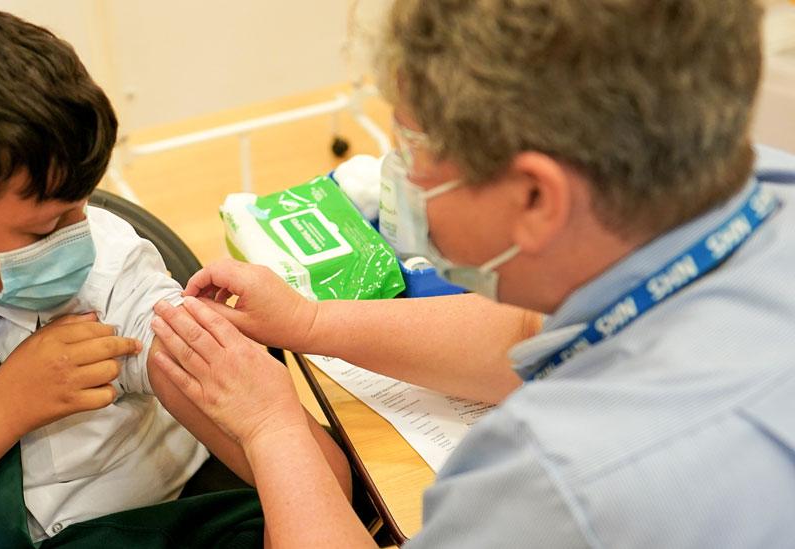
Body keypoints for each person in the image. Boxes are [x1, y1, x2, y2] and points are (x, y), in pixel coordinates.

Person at [151, 0, 795, 547]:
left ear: (537, 198)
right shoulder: (753, 186)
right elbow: (529, 329)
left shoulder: (555, 488)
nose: (399, 176)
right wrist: (310, 321)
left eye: (411, 151)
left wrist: (274, 430)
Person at [0, 5, 349, 547]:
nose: (82, 239)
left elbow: (322, 489)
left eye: (83, 206)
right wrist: (4, 407)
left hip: (146, 520)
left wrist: (262, 414)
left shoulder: (113, 269)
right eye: (45, 228)